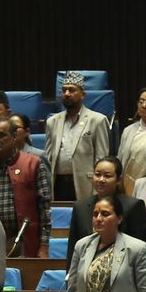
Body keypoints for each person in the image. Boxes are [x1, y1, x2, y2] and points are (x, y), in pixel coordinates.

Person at [65, 195, 146, 292]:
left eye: (105, 214)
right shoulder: (81, 246)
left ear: (119, 218)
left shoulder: (137, 249)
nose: (98, 218)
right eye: (95, 214)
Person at [0, 114, 52, 258]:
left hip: (24, 238)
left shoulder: (34, 163)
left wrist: (44, 245)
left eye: (1, 135)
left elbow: (44, 208)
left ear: (14, 136)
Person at [47, 72, 112, 202]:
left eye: (71, 90)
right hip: (58, 184)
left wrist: (98, 192)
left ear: (83, 94)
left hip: (85, 185)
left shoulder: (97, 120)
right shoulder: (52, 122)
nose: (66, 94)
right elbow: (48, 158)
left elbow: (101, 159)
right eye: (64, 90)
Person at [67, 156, 146, 250]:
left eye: (107, 176)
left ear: (118, 180)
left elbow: (139, 248)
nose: (101, 179)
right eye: (97, 175)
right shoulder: (80, 207)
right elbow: (73, 247)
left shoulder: (134, 206)